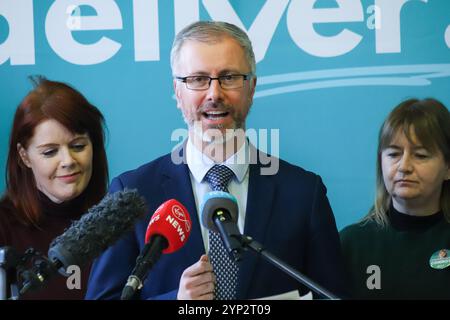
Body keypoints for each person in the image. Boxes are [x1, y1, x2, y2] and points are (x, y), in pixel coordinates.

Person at [86, 21, 347, 300]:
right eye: (198, 79)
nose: (214, 94)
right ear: (177, 91)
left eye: (229, 77)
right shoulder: (132, 192)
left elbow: (333, 295)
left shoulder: (303, 193)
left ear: (252, 88)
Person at [0, 76, 109, 299]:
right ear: (24, 156)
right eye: (50, 152)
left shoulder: (119, 223)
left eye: (78, 146)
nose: (68, 161)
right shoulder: (4, 226)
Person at [340, 98, 450, 299]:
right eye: (394, 154)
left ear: (448, 167)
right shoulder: (352, 244)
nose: (404, 166)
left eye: (421, 155)